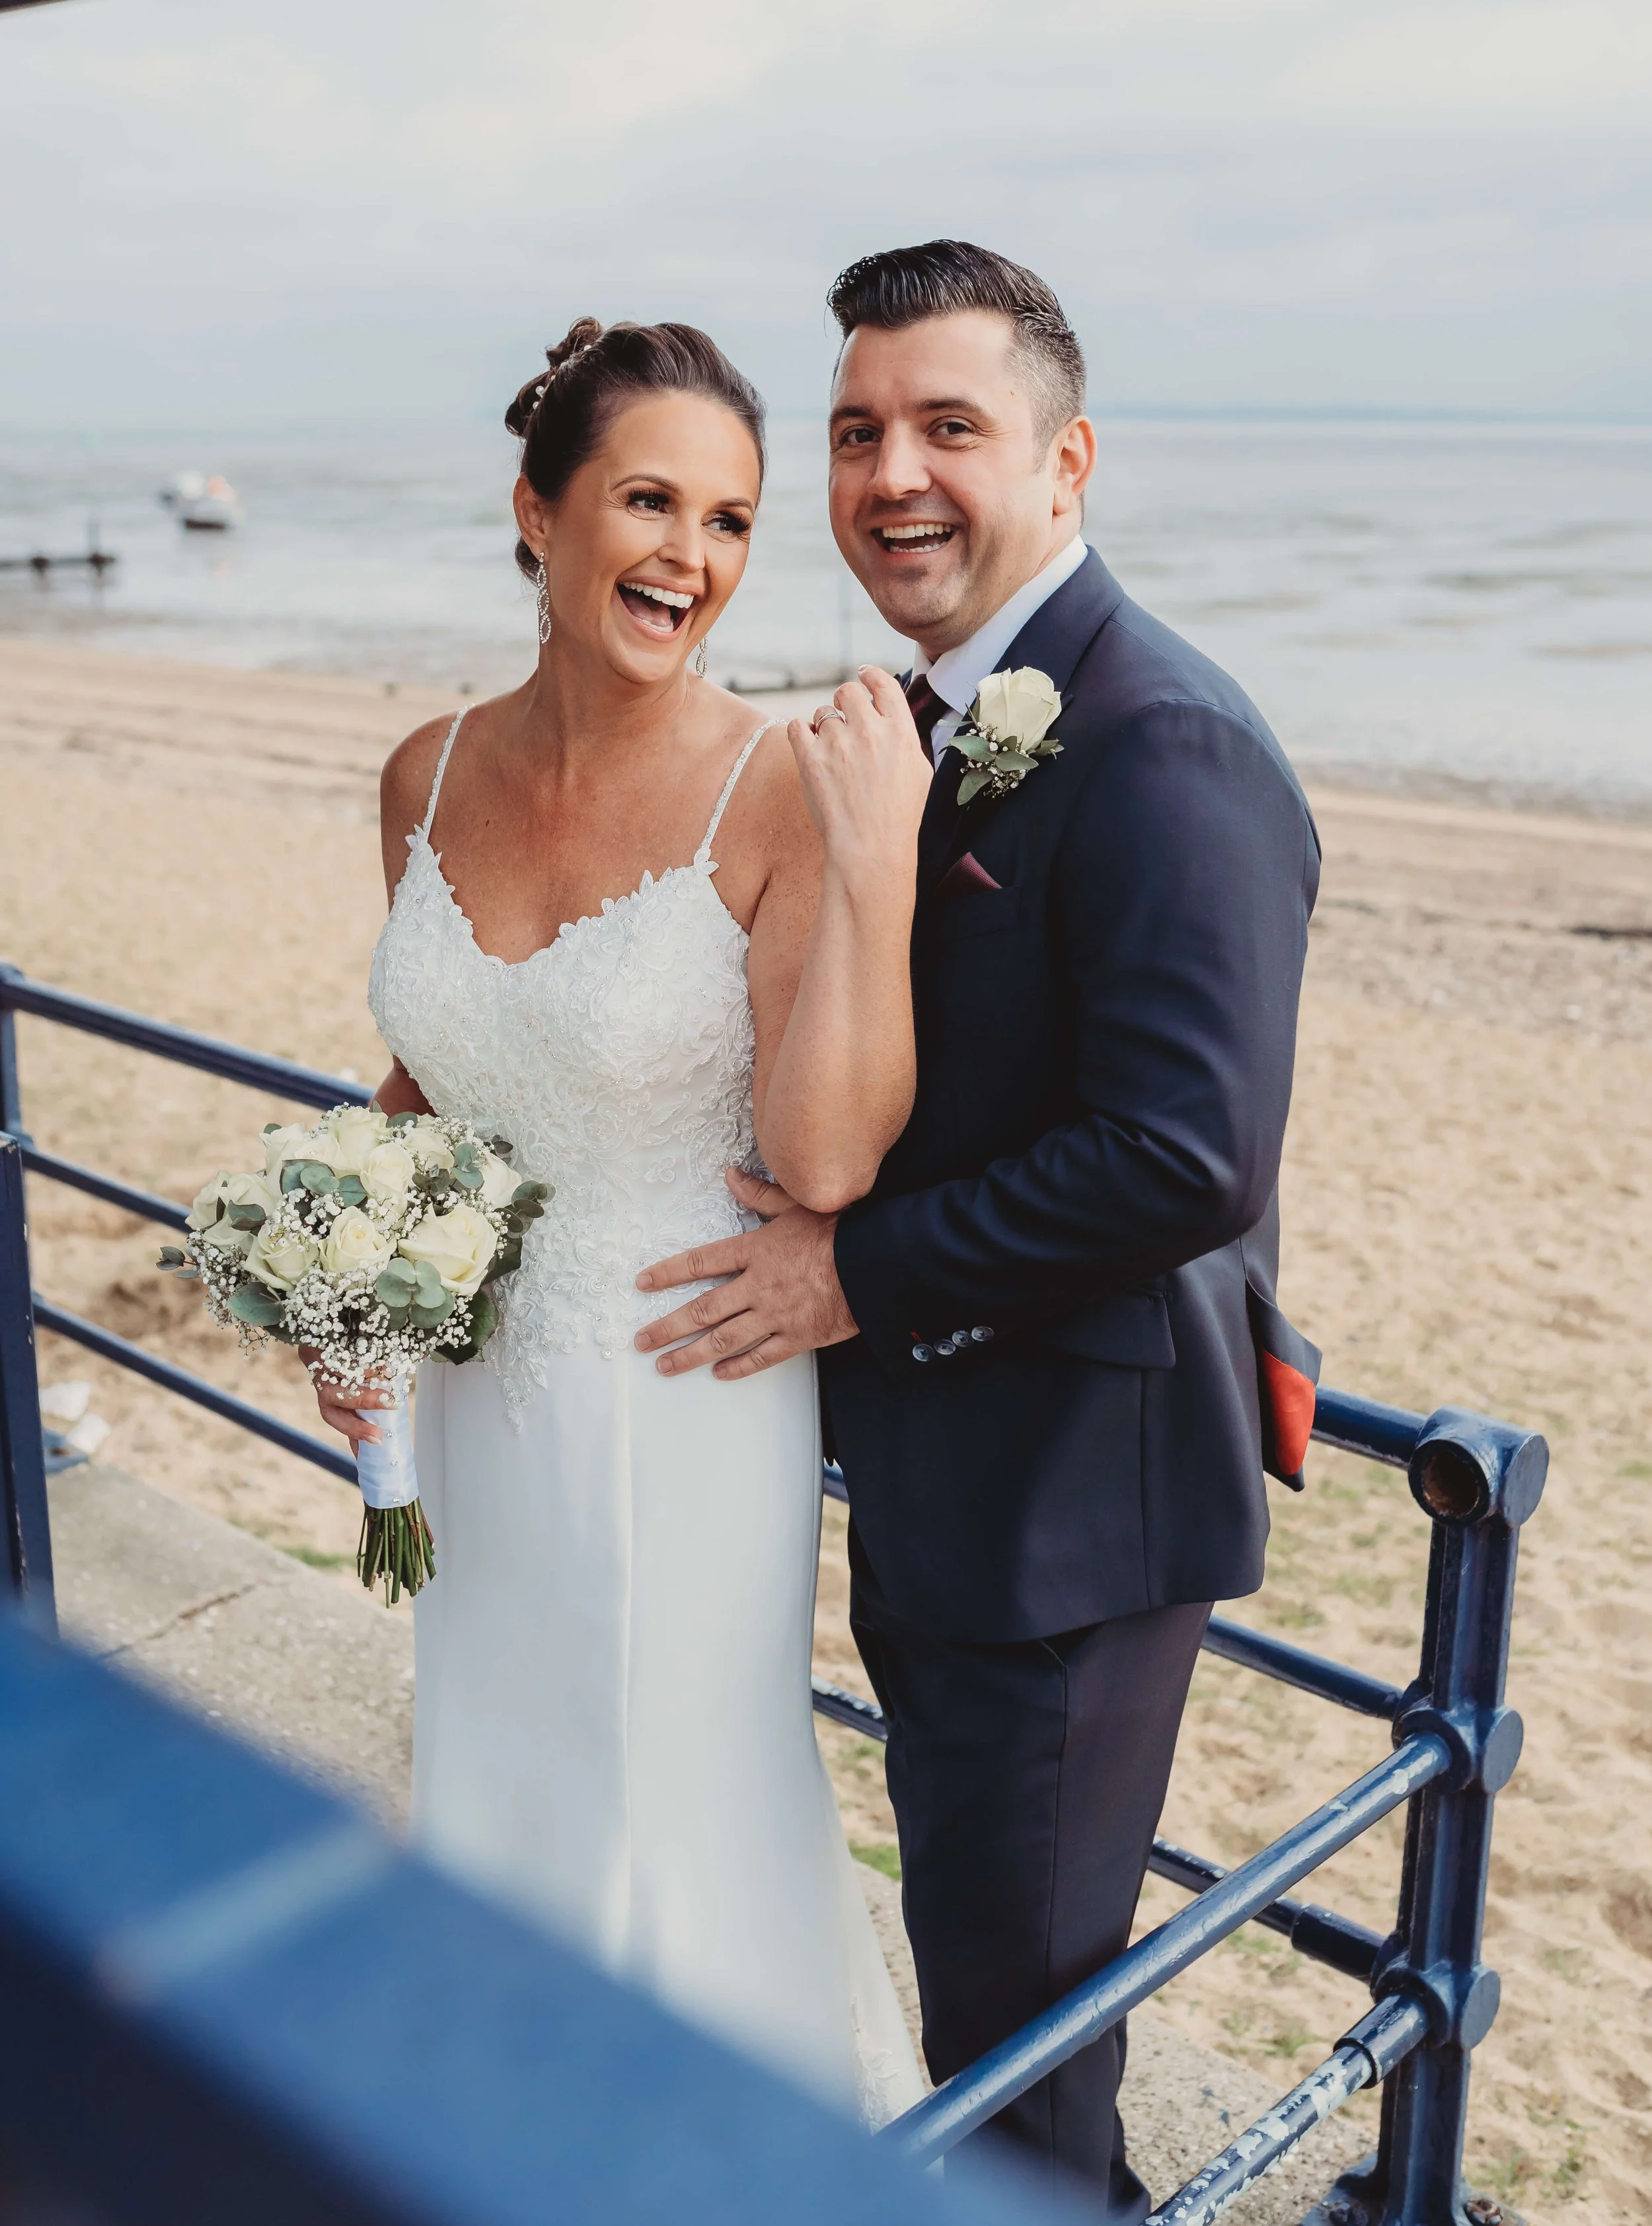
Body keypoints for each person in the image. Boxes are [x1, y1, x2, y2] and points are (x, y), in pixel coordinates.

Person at [636, 242, 1324, 2211]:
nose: (890, 474)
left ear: (1067, 458)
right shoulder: (925, 720)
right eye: (856, 431)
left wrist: (845, 1272)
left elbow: (1185, 1155)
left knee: (1018, 2066)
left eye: (948, 425)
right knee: (985, 2015)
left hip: (1067, 1520)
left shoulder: (1161, 735)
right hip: (954, 1485)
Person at [310, 316, 929, 2125]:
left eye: (731, 520)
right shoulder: (419, 775)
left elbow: (826, 1163)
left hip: (682, 1381)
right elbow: (430, 1083)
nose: (692, 555)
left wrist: (874, 867)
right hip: (480, 1403)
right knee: (499, 1764)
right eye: (648, 499)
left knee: (677, 1794)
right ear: (537, 511)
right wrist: (358, 1290)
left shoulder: (772, 789)